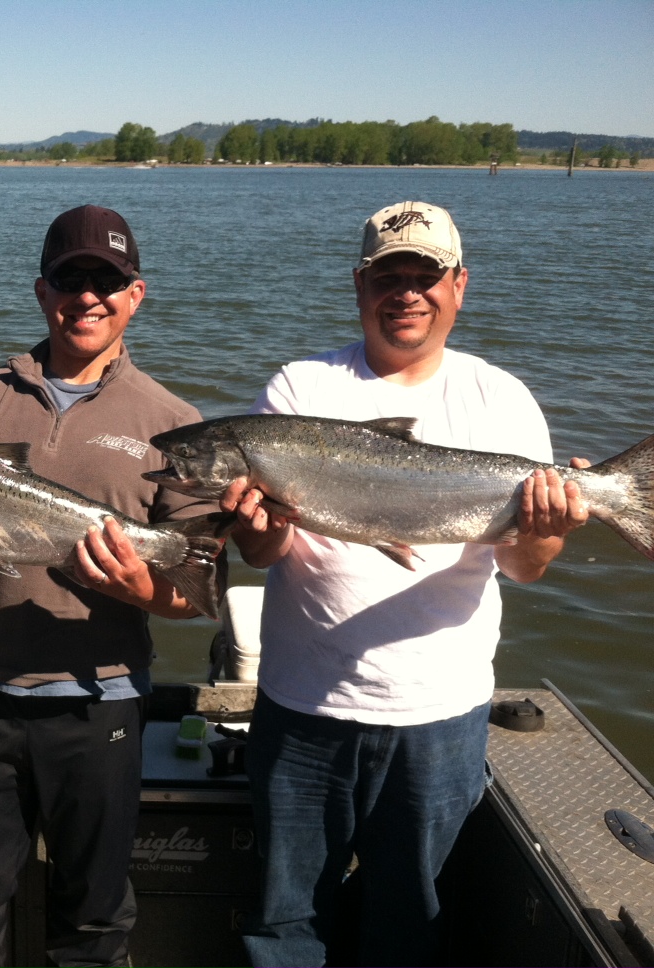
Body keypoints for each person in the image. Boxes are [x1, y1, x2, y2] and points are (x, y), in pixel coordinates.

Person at [222, 200, 590, 967]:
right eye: (389, 276)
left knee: (409, 921)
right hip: (303, 709)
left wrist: (547, 526)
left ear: (459, 285)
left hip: (440, 716)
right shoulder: (298, 389)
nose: (407, 293)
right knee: (284, 924)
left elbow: (525, 566)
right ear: (360, 286)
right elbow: (264, 553)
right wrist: (256, 528)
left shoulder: (501, 400)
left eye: (425, 276)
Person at [0, 204, 221, 968]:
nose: (88, 296)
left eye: (107, 280)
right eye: (70, 278)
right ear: (41, 290)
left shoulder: (173, 422)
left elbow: (194, 593)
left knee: (92, 930)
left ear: (137, 294)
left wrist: (139, 589)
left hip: (103, 702)